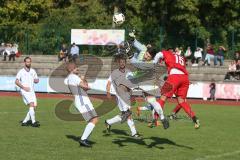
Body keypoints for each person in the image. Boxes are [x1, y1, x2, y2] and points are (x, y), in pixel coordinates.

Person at [153, 50, 200, 129]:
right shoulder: (181, 57)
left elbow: (159, 54)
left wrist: (154, 63)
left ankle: (155, 119)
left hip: (174, 77)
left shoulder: (168, 53)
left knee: (163, 98)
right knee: (182, 101)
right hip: (184, 78)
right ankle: (195, 119)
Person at [105, 55, 141, 138]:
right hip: (120, 95)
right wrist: (108, 93)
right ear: (118, 63)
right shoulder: (114, 72)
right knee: (128, 113)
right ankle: (134, 133)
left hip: (127, 95)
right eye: (120, 62)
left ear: (125, 63)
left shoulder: (128, 72)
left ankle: (108, 122)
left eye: (123, 62)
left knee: (124, 114)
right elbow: (109, 83)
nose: (122, 63)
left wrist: (131, 89)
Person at [64, 63, 98, 147]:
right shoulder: (74, 77)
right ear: (71, 69)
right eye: (76, 68)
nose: (77, 69)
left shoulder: (70, 78)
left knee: (92, 120)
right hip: (82, 101)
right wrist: (84, 79)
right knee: (94, 119)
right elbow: (86, 87)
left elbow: (83, 88)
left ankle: (85, 139)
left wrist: (83, 80)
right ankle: (83, 139)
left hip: (81, 100)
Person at [15, 57, 40, 127]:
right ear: (25, 63)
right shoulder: (21, 71)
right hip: (24, 91)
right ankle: (33, 122)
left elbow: (36, 79)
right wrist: (24, 88)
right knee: (31, 104)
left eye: (29, 62)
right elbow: (16, 81)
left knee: (34, 107)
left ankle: (24, 122)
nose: (28, 63)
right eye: (27, 62)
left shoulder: (33, 71)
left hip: (32, 91)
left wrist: (37, 80)